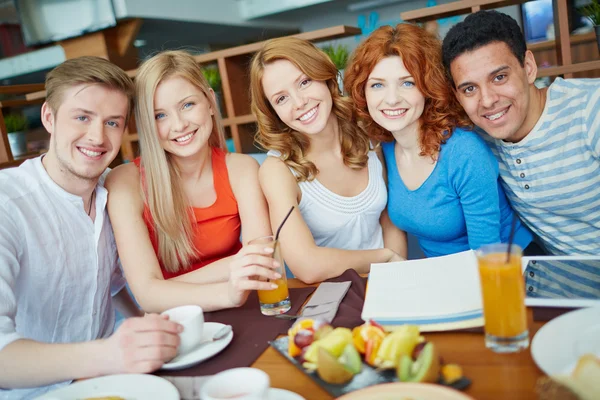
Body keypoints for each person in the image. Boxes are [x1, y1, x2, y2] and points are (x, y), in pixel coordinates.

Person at [0, 57, 182, 399]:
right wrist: (110, 354)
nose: (98, 137)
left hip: (106, 385)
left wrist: (152, 327)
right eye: (82, 117)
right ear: (49, 118)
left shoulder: (114, 194)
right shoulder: (7, 203)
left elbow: (114, 286)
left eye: (112, 122)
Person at [105, 50, 278, 314]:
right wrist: (230, 281)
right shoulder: (125, 183)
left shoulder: (242, 169)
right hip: (181, 321)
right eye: (159, 115)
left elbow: (260, 262)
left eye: (187, 105)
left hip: (245, 308)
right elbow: (148, 296)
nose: (179, 125)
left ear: (210, 101)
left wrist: (167, 287)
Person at [344, 23, 533, 257]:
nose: (391, 99)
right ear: (362, 93)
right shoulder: (386, 148)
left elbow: (486, 254)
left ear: (428, 87)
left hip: (506, 271)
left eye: (407, 82)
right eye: (377, 85)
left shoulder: (464, 152)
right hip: (443, 274)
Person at [249, 37, 406, 284]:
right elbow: (307, 265)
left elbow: (392, 225)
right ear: (273, 112)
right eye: (281, 98)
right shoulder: (278, 170)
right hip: (331, 299)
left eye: (304, 82)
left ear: (325, 77)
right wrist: (384, 257)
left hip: (390, 283)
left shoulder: (371, 137)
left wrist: (396, 277)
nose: (299, 103)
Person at [442, 10, 600, 256]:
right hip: (553, 282)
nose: (487, 100)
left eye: (499, 77)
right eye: (470, 88)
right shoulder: (477, 140)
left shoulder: (591, 110)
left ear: (528, 68)